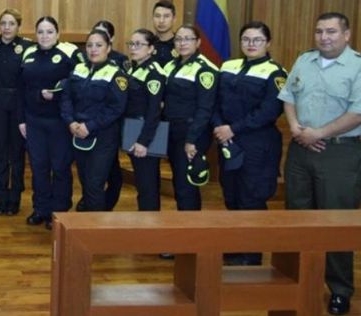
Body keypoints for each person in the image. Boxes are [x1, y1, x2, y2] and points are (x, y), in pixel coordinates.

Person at [279, 12, 361, 316]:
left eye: (331, 32)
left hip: (339, 152)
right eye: (319, 32)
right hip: (301, 150)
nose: (324, 37)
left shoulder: (358, 66)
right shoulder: (304, 60)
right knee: (297, 217)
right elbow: (288, 97)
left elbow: (357, 113)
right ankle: (298, 280)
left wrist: (319, 133)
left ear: (347, 35)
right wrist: (298, 130)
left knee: (335, 222)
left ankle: (339, 290)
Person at [212, 21, 287, 266]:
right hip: (227, 141)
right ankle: (236, 247)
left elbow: (269, 111)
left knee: (251, 198)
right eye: (246, 39)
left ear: (268, 43)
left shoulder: (275, 72)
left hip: (257, 144)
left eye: (257, 40)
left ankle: (251, 254)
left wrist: (233, 128)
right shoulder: (228, 66)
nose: (251, 44)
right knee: (231, 195)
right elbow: (215, 101)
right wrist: (221, 127)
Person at [18, 16, 82, 228]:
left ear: (57, 33)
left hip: (59, 122)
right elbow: (21, 88)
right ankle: (40, 209)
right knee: (38, 167)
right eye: (41, 32)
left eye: (49, 31)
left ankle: (59, 211)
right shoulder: (28, 53)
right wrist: (22, 119)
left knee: (60, 167)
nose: (44, 36)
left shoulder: (69, 53)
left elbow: (79, 83)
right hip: (34, 120)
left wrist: (58, 91)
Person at [60, 29, 128, 213]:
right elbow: (66, 98)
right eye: (89, 45)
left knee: (94, 184)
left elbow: (116, 108)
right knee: (85, 182)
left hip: (103, 137)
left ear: (109, 48)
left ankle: (95, 231)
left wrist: (90, 126)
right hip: (78, 134)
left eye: (99, 45)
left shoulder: (116, 74)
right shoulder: (78, 69)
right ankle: (90, 223)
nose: (93, 49)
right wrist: (70, 122)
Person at [163, 24, 218, 211]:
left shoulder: (205, 69)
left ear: (198, 42)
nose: (182, 43)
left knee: (187, 184)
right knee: (179, 181)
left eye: (188, 39)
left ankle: (190, 230)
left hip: (191, 133)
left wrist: (192, 140)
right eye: (178, 39)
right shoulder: (171, 65)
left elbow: (205, 109)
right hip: (172, 131)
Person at [0, 9, 32, 215]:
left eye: (11, 23)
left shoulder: (28, 47)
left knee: (17, 153)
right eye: (3, 23)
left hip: (18, 104)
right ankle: (2, 195)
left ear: (18, 26)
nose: (6, 27)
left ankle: (15, 197)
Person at [122, 29, 167, 213]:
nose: (133, 48)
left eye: (139, 44)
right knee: (142, 181)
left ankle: (150, 226)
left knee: (148, 184)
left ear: (151, 49)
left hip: (146, 132)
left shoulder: (153, 72)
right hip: (133, 127)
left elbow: (154, 110)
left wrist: (143, 141)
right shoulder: (134, 68)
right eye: (131, 44)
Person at [152, 1, 177, 66]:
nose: (161, 21)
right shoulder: (147, 43)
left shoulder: (181, 44)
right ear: (152, 18)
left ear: (174, 19)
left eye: (166, 16)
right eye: (157, 16)